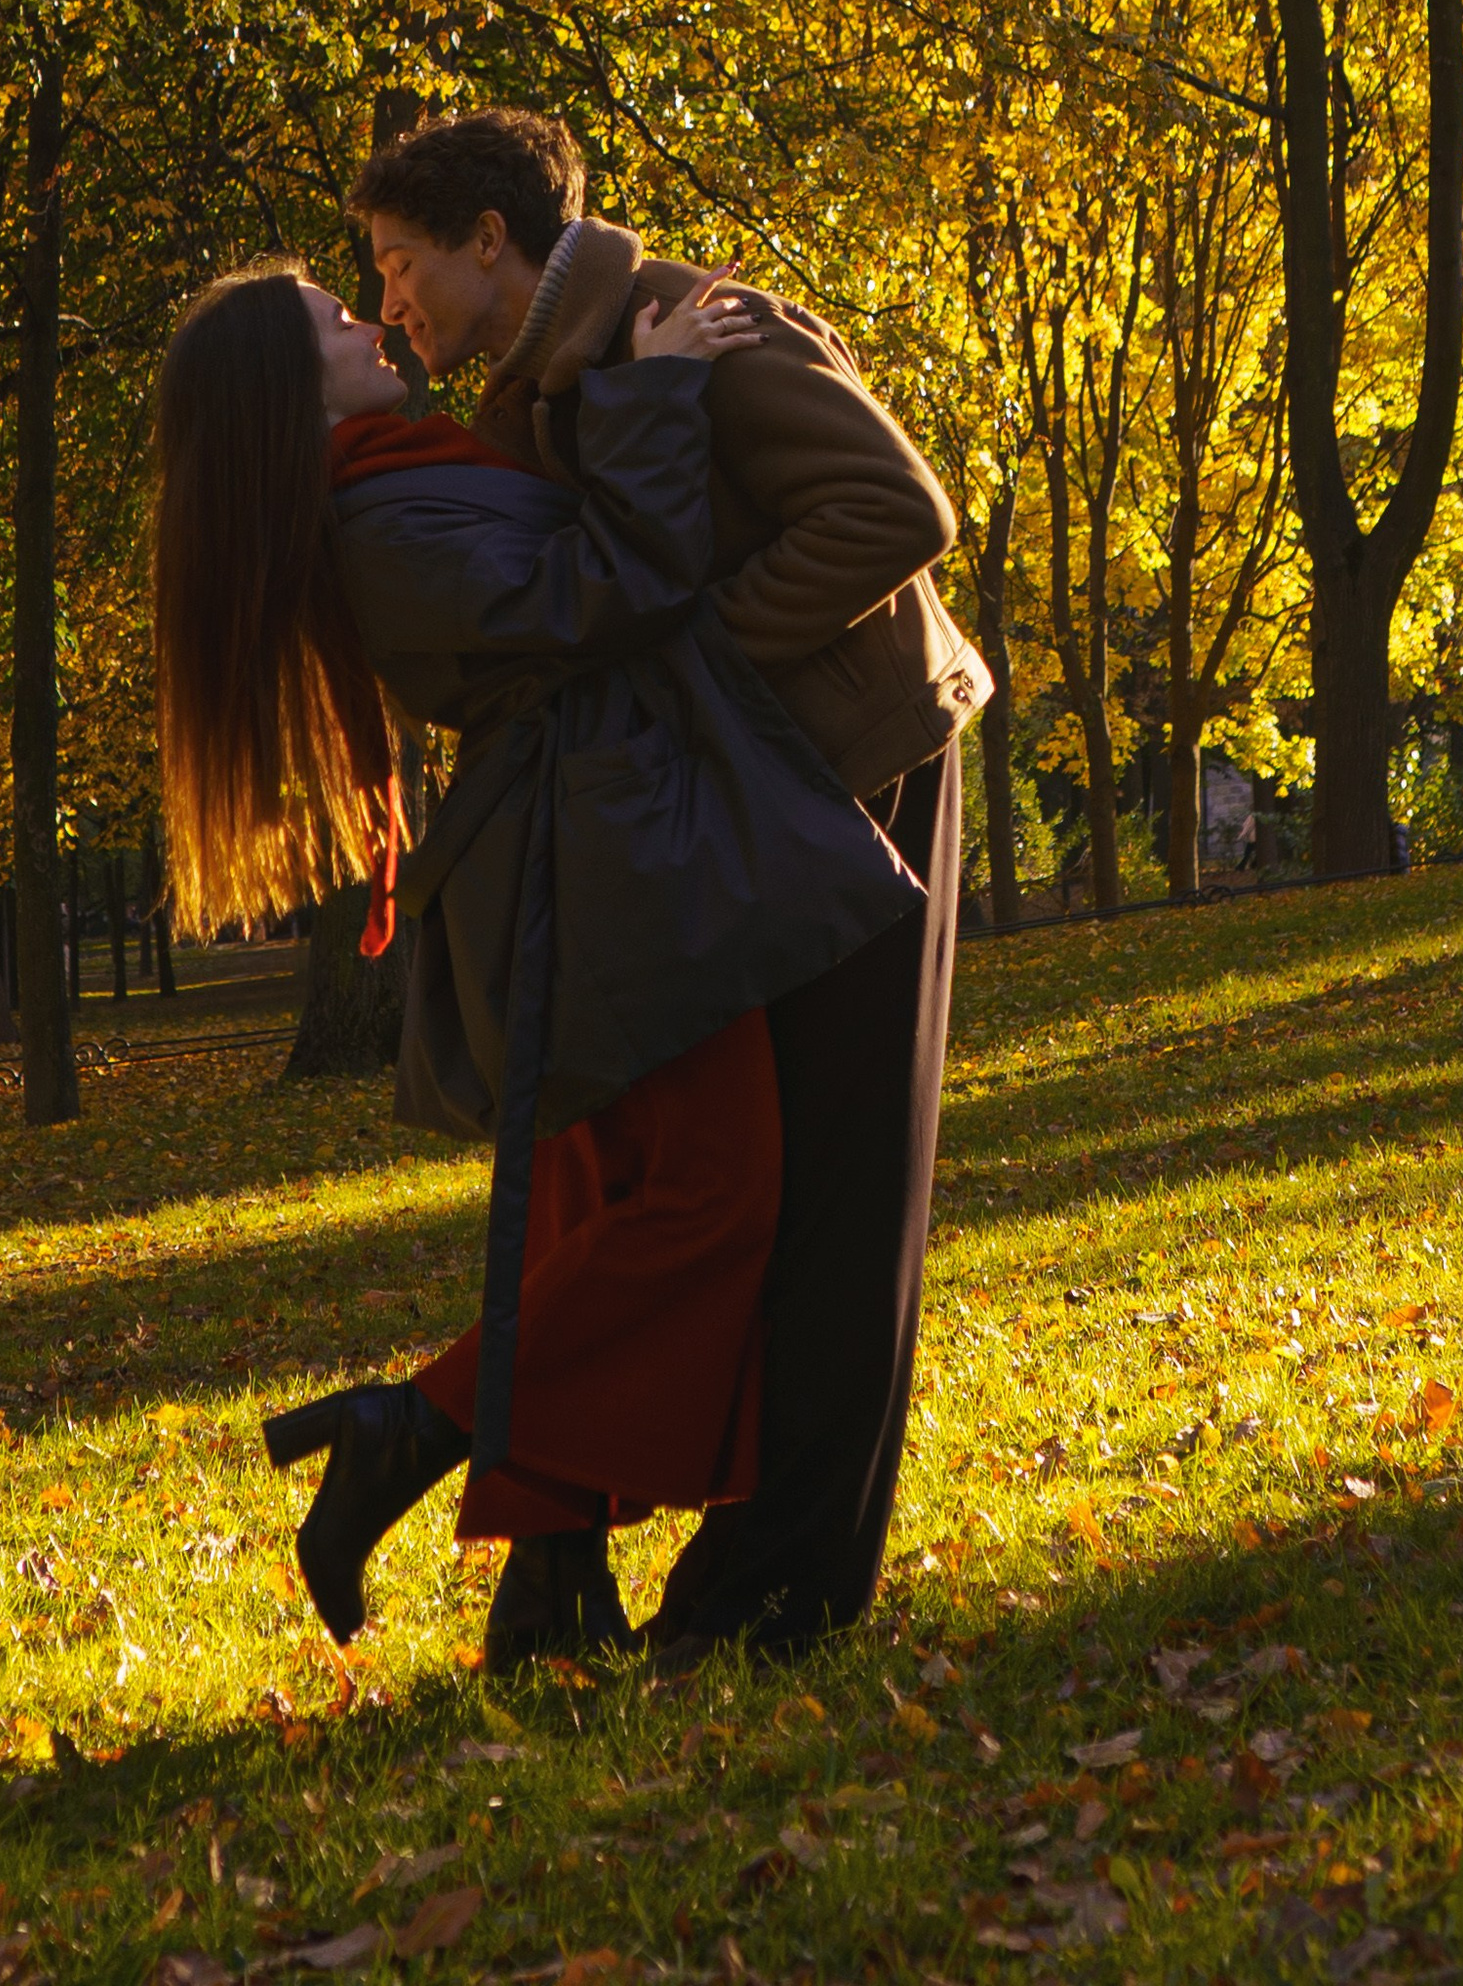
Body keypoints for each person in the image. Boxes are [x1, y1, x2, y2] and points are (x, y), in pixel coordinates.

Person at [152, 256, 917, 1665]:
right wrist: (665, 384)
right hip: (592, 889)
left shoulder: (397, 468)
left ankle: (550, 1587)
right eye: (336, 317)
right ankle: (411, 1428)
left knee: (597, 1211)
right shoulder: (374, 515)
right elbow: (599, 587)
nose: (371, 320)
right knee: (705, 1193)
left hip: (605, 862)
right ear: (284, 392)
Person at [350, 106, 986, 1658]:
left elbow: (899, 515)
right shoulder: (544, 387)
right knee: (760, 1196)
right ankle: (711, 1567)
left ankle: (785, 1591)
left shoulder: (697, 325)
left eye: (400, 262)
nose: (390, 304)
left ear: (488, 240)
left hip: (862, 771)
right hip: (753, 795)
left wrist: (697, 669)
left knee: (843, 1193)